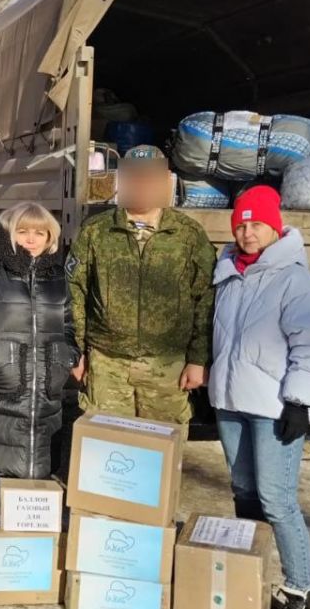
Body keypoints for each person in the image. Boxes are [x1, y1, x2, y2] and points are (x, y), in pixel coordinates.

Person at [208, 185, 310, 609]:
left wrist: (301, 402)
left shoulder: (296, 280)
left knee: (277, 499)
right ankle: (253, 572)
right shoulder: (226, 272)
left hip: (273, 407)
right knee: (243, 493)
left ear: (275, 226)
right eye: (241, 223)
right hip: (230, 402)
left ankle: (302, 593)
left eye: (256, 223)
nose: (247, 232)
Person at [66, 144, 216, 423]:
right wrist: (76, 352)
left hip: (166, 365)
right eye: (134, 177)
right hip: (107, 363)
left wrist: (197, 359)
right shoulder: (96, 231)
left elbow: (205, 298)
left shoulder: (187, 234)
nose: (142, 184)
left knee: (162, 451)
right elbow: (75, 293)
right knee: (106, 450)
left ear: (164, 181)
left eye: (150, 178)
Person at [0, 202, 79, 510]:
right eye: (23, 232)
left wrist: (68, 355)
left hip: (45, 395)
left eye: (40, 232)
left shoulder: (58, 278)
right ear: (8, 234)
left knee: (37, 477)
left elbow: (69, 325)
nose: (32, 239)